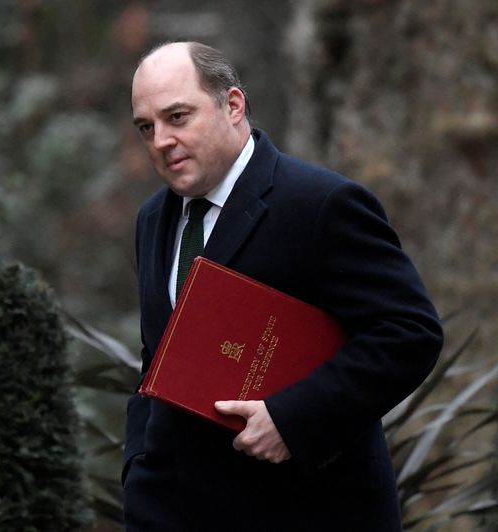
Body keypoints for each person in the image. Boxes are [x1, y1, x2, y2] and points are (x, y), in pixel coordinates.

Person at [123, 41, 443, 531]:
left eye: (178, 117)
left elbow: (410, 333)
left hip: (309, 511)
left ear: (232, 106)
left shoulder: (321, 203)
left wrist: (293, 420)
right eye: (147, 127)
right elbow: (156, 363)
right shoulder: (154, 219)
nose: (161, 140)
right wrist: (138, 472)